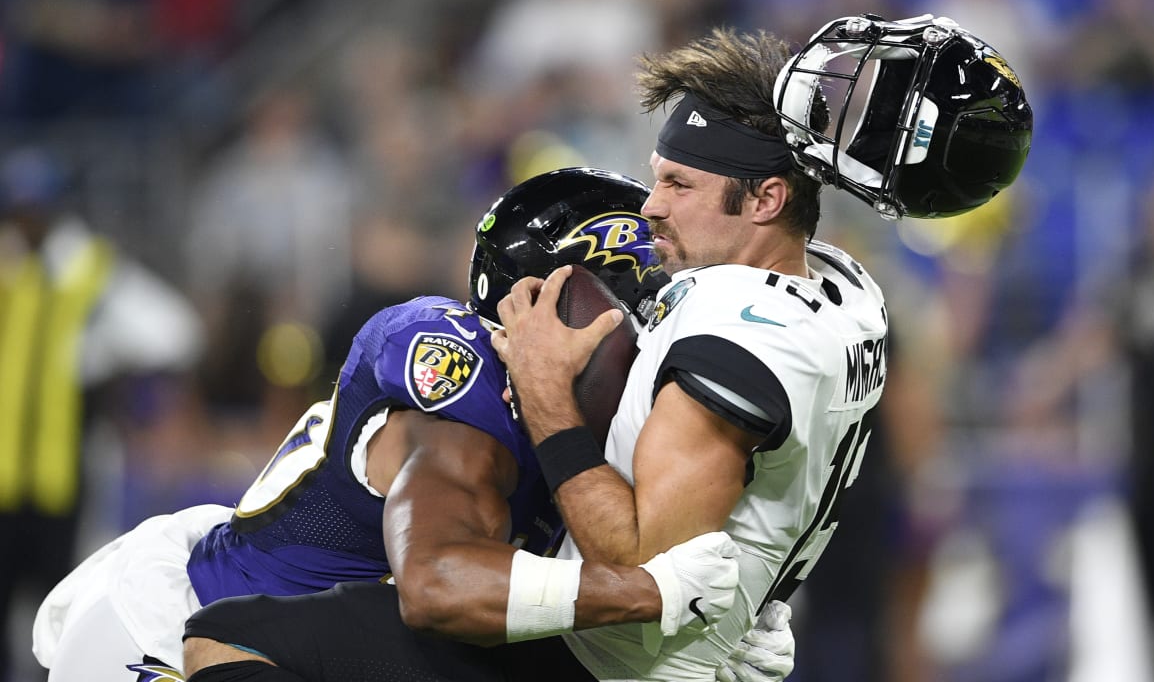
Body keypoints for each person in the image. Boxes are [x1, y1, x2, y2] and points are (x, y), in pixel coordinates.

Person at [179, 14, 1031, 681]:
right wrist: (754, 596)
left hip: (613, 666)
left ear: (767, 199)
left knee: (227, 641)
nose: (648, 208)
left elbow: (637, 565)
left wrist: (548, 397)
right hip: (689, 651)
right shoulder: (849, 291)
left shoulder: (732, 334)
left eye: (679, 184)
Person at [33, 167, 754, 681]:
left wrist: (707, 634)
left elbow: (571, 591)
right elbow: (437, 583)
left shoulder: (582, 426)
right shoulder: (459, 370)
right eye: (642, 316)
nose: (654, 346)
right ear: (552, 300)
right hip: (178, 636)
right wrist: (653, 598)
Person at [0, 144, 204, 681]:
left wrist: (110, 356)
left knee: (63, 602)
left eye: (34, 209)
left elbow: (174, 332)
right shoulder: (9, 267)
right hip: (5, 473)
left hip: (68, 469)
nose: (26, 221)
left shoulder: (91, 271)